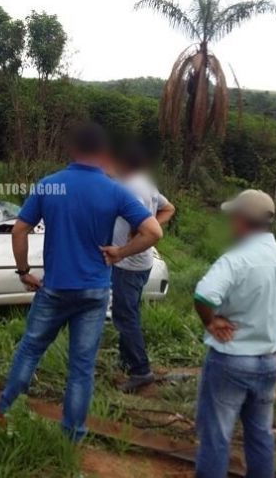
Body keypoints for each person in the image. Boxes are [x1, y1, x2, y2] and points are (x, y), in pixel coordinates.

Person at [0, 123, 163, 441]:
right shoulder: (115, 190)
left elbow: (19, 230)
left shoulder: (52, 186)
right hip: (95, 291)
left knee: (29, 350)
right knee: (81, 367)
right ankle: (73, 437)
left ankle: (2, 412)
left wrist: (24, 271)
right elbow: (154, 231)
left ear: (73, 150)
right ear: (104, 153)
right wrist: (120, 253)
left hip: (55, 288)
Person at [192, 189, 276, 478]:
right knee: (261, 435)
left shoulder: (237, 259)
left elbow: (204, 296)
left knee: (216, 435)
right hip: (268, 362)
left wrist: (211, 322)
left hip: (231, 359)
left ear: (242, 220)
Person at [110, 145, 176, 393]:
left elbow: (150, 225)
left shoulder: (132, 188)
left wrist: (139, 231)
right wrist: (147, 225)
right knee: (129, 313)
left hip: (129, 263)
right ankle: (127, 360)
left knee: (125, 317)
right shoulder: (144, 183)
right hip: (141, 262)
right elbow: (168, 209)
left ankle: (141, 371)